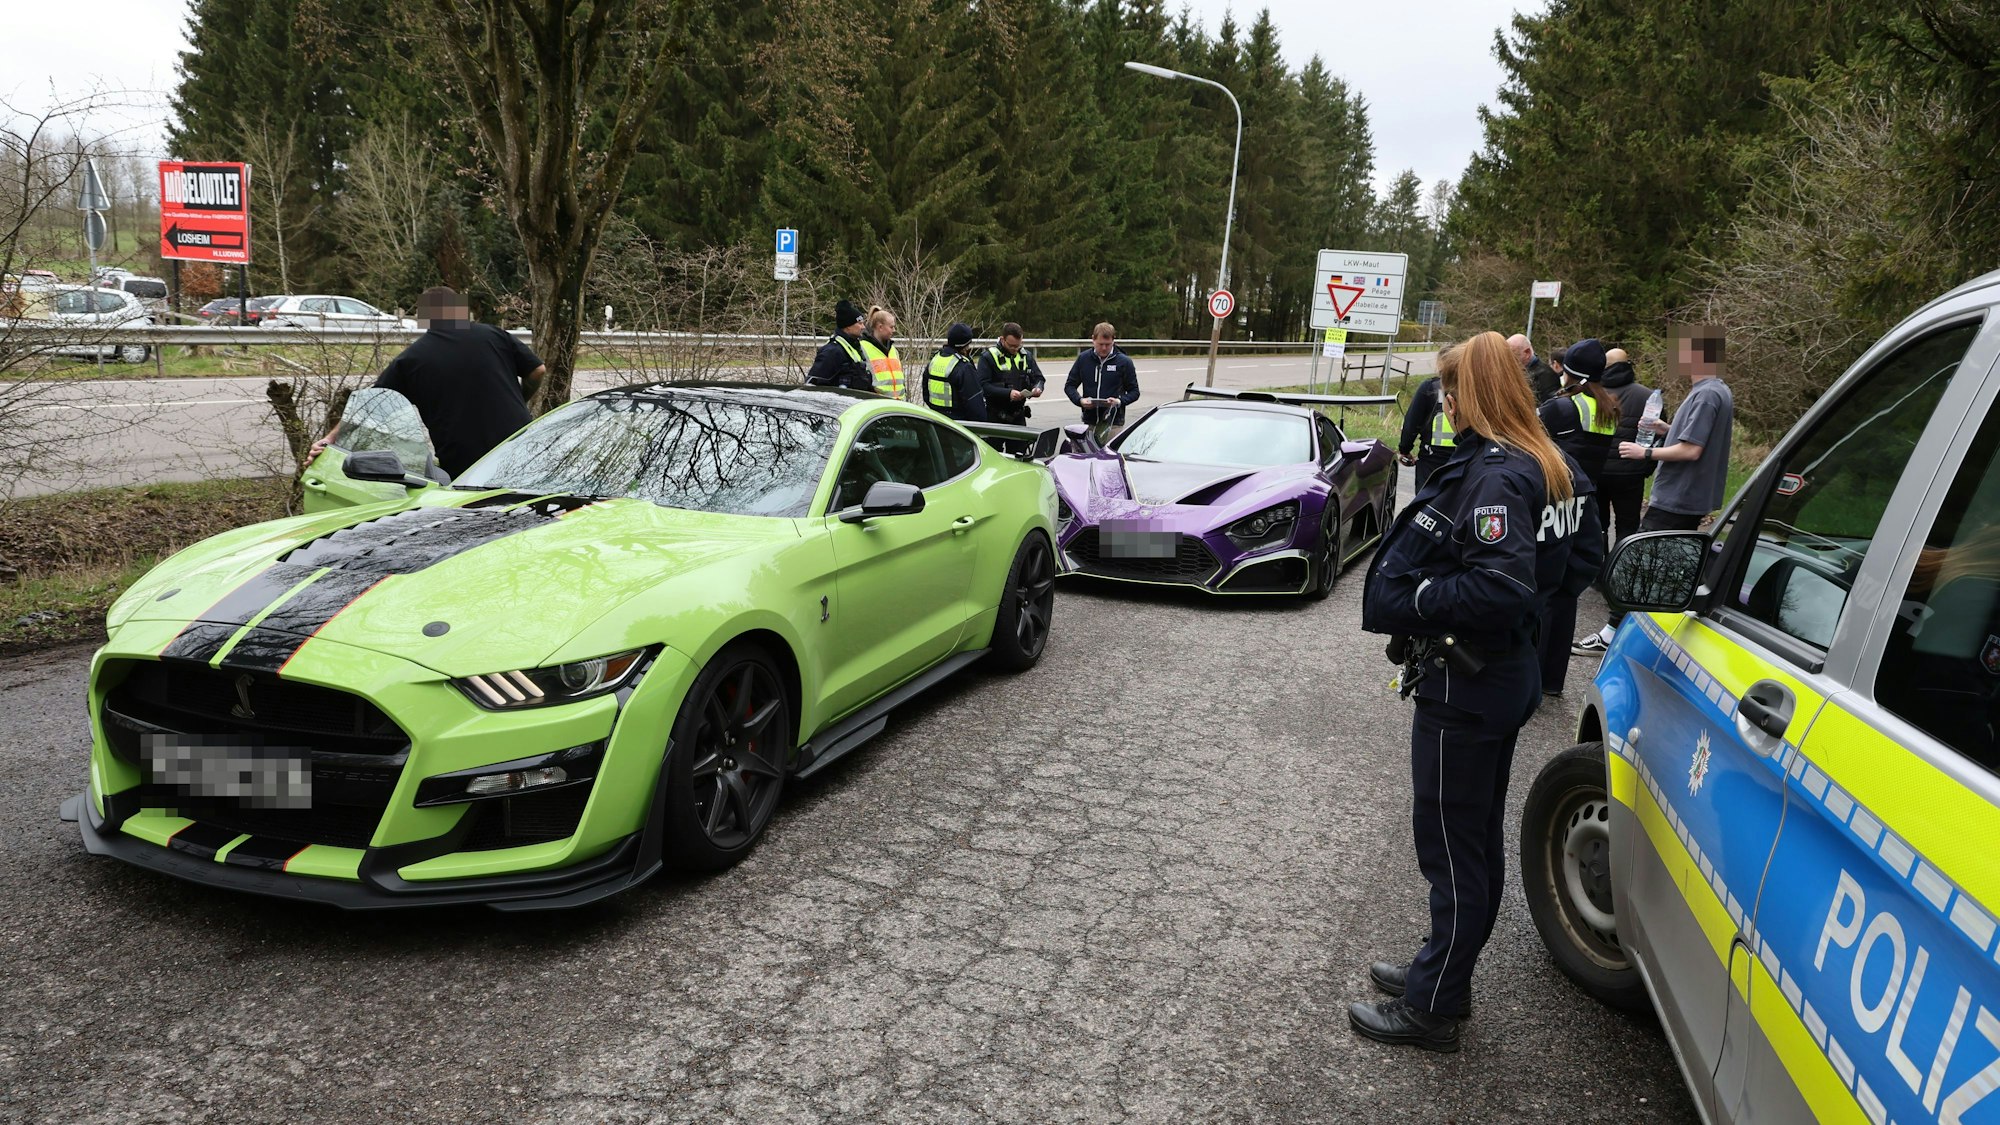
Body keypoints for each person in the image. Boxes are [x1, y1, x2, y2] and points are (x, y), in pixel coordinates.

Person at [1357, 330, 1603, 1052]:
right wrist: (1531, 614)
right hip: (1504, 672)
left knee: (1452, 847)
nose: (1445, 402)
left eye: (1452, 389)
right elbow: (1582, 558)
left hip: (1466, 685)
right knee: (1474, 837)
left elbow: (1499, 584)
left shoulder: (1497, 474)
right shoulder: (1551, 462)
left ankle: (1434, 1005)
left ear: (1478, 392)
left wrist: (1421, 599)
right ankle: (1440, 970)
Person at [1574, 325, 1734, 656]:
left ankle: (1611, 634)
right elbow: (1692, 437)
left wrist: (1643, 452)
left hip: (1679, 495)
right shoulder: (1717, 390)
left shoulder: (1705, 395)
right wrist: (1666, 428)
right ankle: (1655, 632)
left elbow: (1692, 450)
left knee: (1641, 563)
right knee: (1668, 565)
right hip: (1689, 496)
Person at [308, 286, 544, 477]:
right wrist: (521, 399)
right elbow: (538, 371)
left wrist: (330, 439)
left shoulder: (411, 360)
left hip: (464, 461)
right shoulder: (494, 335)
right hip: (519, 442)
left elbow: (372, 406)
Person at [1533, 338, 1618, 698]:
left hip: (1553, 503)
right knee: (1566, 595)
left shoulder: (1561, 408)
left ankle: (1531, 677)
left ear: (1568, 372)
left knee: (1542, 592)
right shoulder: (1608, 409)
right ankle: (1552, 680)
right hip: (1585, 506)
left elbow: (1529, 440)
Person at [1593, 346, 1656, 550]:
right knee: (1628, 526)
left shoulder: (1592, 394)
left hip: (1597, 472)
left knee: (1597, 524)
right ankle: (1622, 565)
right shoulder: (1647, 396)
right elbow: (1659, 436)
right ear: (1628, 365)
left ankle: (1598, 563)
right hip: (1631, 473)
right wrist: (1646, 467)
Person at [1396, 346, 1460, 492]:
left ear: (1440, 364)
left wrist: (1404, 450)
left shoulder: (1429, 387)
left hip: (1432, 459)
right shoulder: (1471, 388)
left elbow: (1412, 422)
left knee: (1426, 501)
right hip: (1462, 458)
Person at [1065, 322, 1140, 443]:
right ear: (1093, 340)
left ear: (1113, 341)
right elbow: (1069, 386)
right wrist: (1080, 401)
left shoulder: (1124, 362)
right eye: (1100, 344)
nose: (1104, 348)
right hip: (1089, 423)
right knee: (1089, 455)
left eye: (1108, 344)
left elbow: (1135, 392)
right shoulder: (1083, 359)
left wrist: (1119, 402)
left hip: (1114, 424)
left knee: (1109, 455)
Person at [978, 322, 1045, 425]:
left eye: (1018, 345)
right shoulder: (988, 357)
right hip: (995, 417)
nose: (1015, 349)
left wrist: (1038, 388)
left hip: (1018, 416)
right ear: (1002, 339)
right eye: (1011, 346)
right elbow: (983, 386)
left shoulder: (1026, 356)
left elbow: (1039, 378)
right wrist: (1008, 393)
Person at [923, 322, 988, 422]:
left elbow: (926, 393)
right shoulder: (963, 366)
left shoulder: (934, 360)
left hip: (936, 420)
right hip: (958, 423)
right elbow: (975, 405)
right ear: (966, 345)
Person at [805, 299, 872, 390]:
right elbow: (812, 386)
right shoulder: (832, 352)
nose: (863, 327)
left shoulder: (854, 347)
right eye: (859, 323)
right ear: (848, 326)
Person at [860, 306, 906, 400]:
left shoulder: (893, 350)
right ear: (880, 327)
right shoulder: (863, 348)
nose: (894, 330)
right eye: (891, 327)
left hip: (899, 404)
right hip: (878, 404)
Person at [1507, 333, 1560, 404]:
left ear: (1527, 353)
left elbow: (1550, 406)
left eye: (1513, 356)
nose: (1509, 361)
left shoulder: (1546, 376)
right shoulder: (1516, 373)